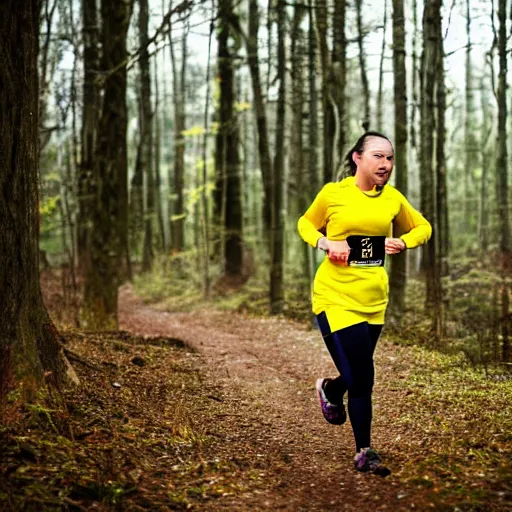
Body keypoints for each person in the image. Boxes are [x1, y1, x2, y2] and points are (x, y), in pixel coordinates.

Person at [297, 131, 431, 476]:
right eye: (378, 156)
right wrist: (326, 243)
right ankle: (365, 451)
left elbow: (423, 227)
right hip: (334, 296)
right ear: (357, 158)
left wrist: (403, 242)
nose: (385, 164)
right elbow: (305, 224)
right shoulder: (334, 193)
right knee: (364, 375)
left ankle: (331, 387)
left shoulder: (392, 199)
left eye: (389, 158)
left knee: (357, 370)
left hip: (374, 299)